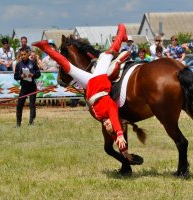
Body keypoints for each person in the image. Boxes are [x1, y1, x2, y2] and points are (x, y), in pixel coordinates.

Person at [33, 24, 142, 165]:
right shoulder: (111, 109)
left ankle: (45, 47)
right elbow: (115, 121)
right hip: (100, 77)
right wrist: (120, 136)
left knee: (68, 67)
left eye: (108, 127)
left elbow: (114, 134)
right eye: (110, 126)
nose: (108, 125)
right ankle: (122, 32)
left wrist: (123, 149)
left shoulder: (100, 117)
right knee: (109, 52)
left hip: (89, 83)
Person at [14, 47, 41, 127]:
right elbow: (15, 77)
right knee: (19, 105)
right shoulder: (18, 64)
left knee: (32, 105)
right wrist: (20, 76)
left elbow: (39, 74)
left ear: (28, 54)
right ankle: (18, 124)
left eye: (24, 54)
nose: (23, 56)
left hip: (32, 86)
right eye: (21, 55)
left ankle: (31, 122)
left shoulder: (33, 63)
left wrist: (33, 75)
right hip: (24, 87)